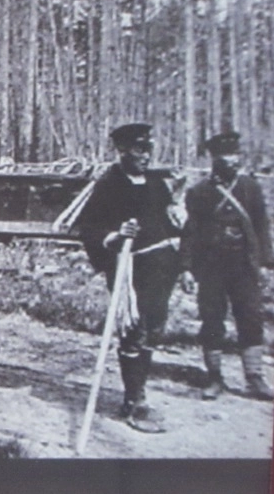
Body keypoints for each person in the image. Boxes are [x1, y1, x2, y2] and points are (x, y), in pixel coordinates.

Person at [77, 123, 181, 434]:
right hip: (129, 268)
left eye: (148, 149)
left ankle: (139, 390)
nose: (145, 156)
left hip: (161, 267)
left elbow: (169, 221)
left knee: (155, 328)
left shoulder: (156, 183)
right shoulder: (109, 184)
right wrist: (115, 234)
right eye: (139, 150)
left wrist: (178, 225)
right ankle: (134, 399)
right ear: (122, 151)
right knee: (134, 330)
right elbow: (89, 227)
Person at [181, 131, 274, 401]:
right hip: (211, 266)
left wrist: (266, 262)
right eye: (225, 155)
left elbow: (261, 226)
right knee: (212, 319)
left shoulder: (250, 187)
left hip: (244, 265)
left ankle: (255, 377)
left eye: (235, 154)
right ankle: (214, 378)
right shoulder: (199, 192)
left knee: (251, 317)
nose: (232, 160)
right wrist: (186, 267)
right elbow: (190, 231)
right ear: (214, 158)